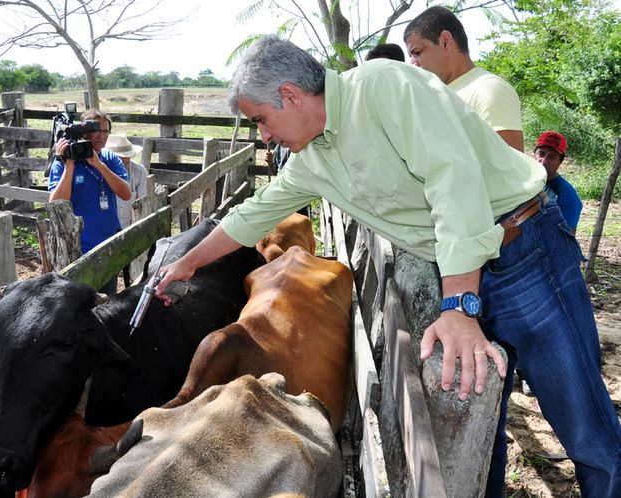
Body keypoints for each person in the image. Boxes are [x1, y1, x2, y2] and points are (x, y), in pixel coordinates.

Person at [155, 35, 621, 497]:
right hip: (459, 265)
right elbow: (253, 214)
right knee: (480, 417)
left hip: (524, 253)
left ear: (291, 96)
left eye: (261, 120)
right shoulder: (314, 158)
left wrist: (458, 305)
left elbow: (452, 176)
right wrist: (188, 263)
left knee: (583, 424)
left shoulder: (382, 86)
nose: (265, 136)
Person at [404, 6, 524, 151]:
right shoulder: (435, 94)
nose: (412, 63)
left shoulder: (488, 89)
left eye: (417, 52)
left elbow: (510, 169)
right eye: (410, 56)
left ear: (445, 42)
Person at [48, 108, 131, 293]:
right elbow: (55, 204)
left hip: (106, 244)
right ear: (83, 132)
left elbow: (126, 193)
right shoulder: (62, 162)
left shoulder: (110, 159)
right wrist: (69, 167)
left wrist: (99, 166)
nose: (102, 136)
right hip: (76, 247)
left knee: (105, 299)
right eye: (96, 130)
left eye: (105, 131)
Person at [107, 133, 148, 287]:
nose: (125, 160)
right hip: (109, 226)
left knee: (128, 262)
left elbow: (142, 201)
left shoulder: (139, 171)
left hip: (129, 223)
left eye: (127, 156)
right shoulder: (101, 172)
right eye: (120, 157)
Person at [534, 131, 582, 232]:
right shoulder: (523, 181)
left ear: (560, 161)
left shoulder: (567, 195)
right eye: (541, 153)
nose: (544, 160)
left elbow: (567, 237)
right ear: (535, 154)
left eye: (552, 157)